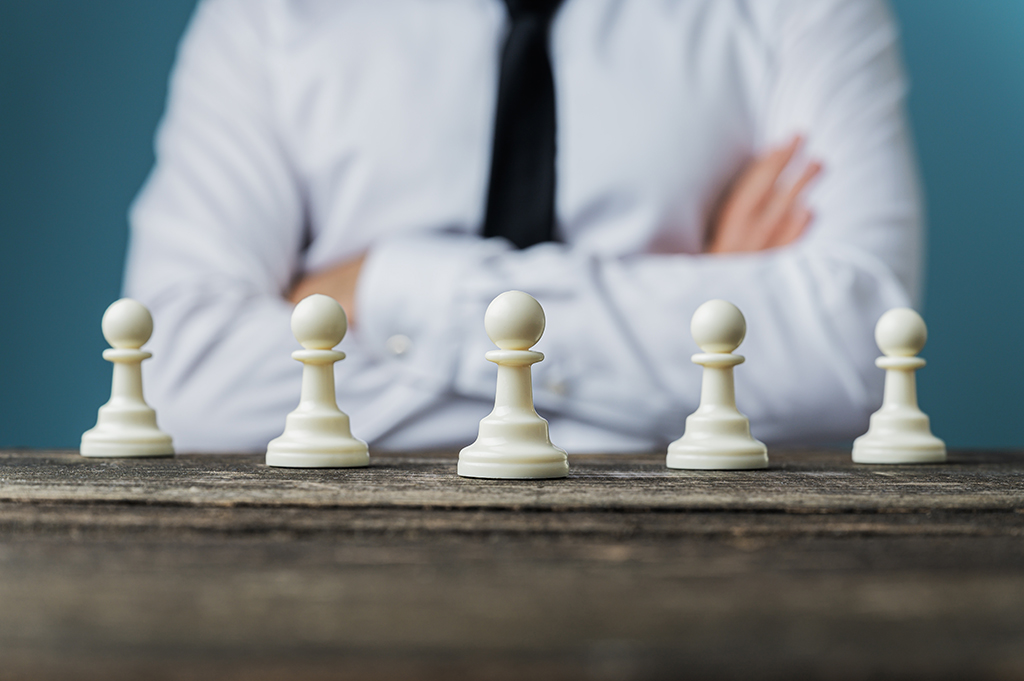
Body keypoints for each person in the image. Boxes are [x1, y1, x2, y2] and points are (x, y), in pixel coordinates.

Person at [124, 0, 922, 453]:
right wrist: (702, 343)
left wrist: (380, 290)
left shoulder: (799, 11)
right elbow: (185, 379)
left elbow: (853, 355)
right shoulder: (265, 18)